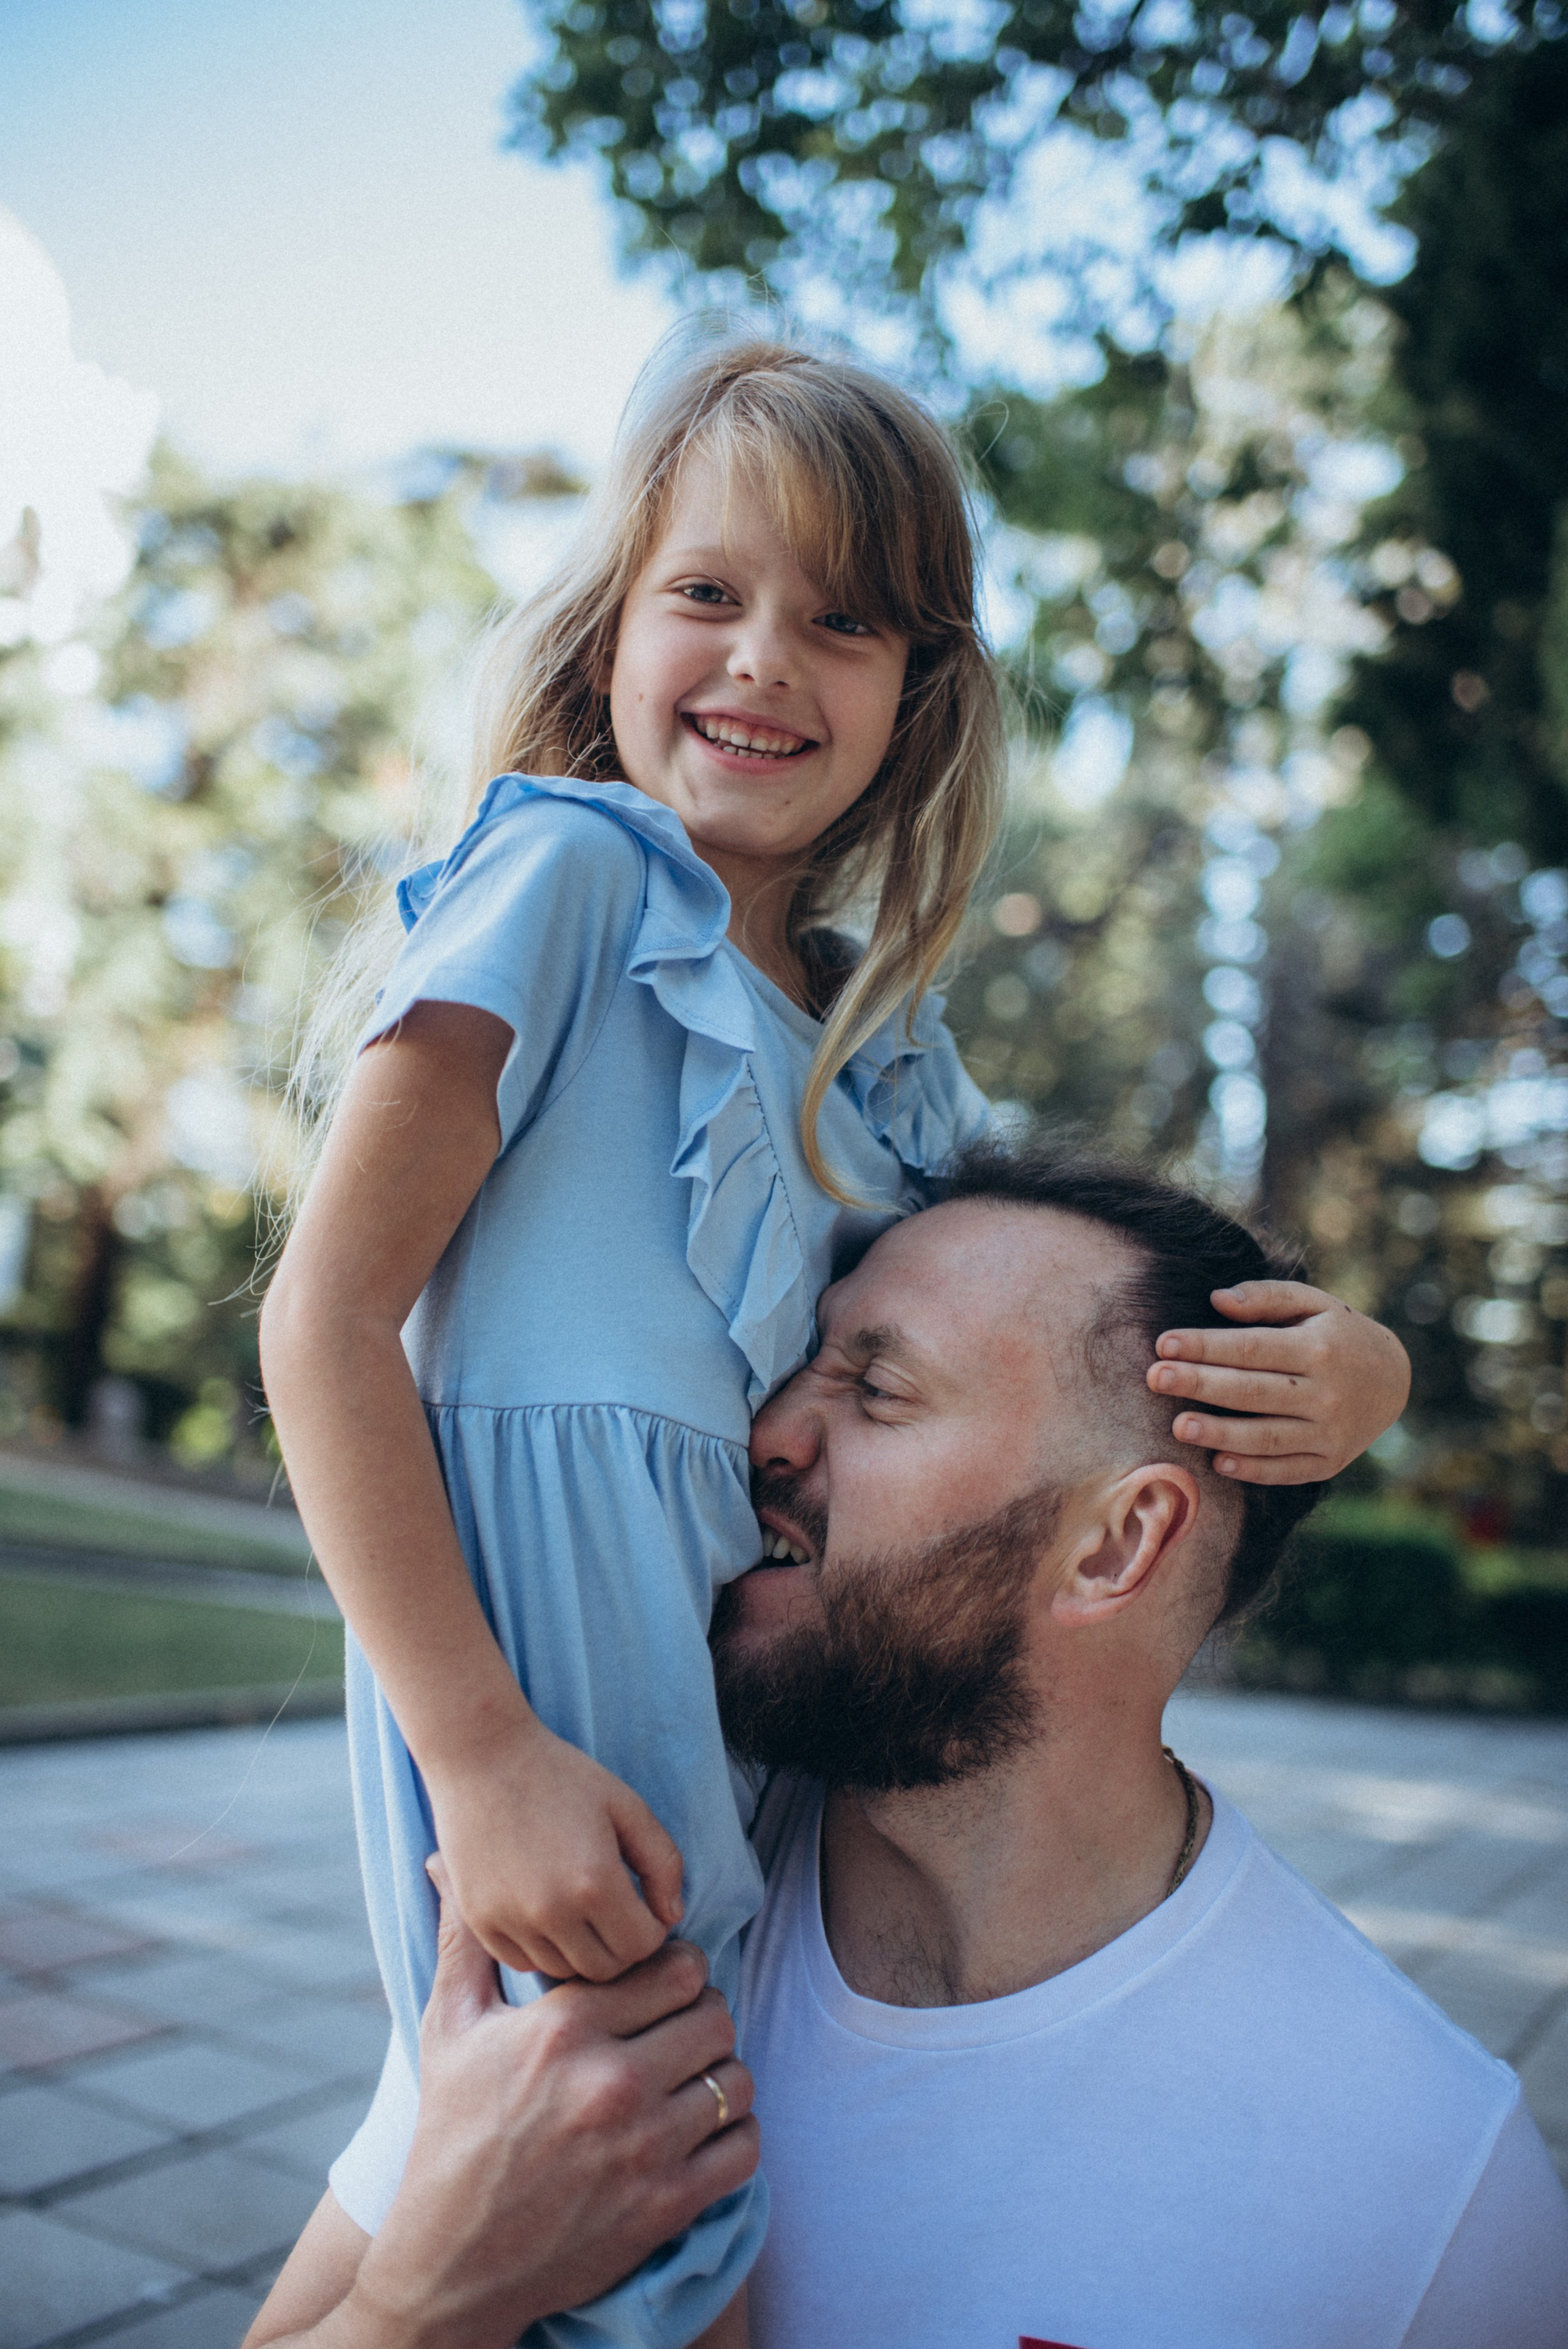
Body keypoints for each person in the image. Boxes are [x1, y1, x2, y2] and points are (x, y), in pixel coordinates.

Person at [258, 333, 1412, 2349]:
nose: (766, 660)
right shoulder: (564, 874)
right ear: (616, 622)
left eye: (845, 621)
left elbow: (1082, 1333)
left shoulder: (887, 1072)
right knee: (646, 2257)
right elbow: (325, 1318)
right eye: (709, 592)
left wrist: (1363, 1373)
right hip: (553, 1772)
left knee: (475, 2203)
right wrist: (481, 1752)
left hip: (752, 1785)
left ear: (921, 695)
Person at [248, 1147, 1566, 2349]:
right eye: (793, 1364)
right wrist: (419, 2304)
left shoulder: (1424, 2186)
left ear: (1115, 1545)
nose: (763, 1432)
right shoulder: (639, 1913)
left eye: (875, 1388)